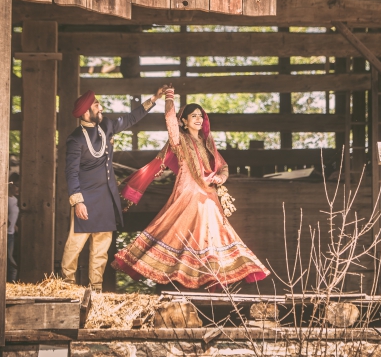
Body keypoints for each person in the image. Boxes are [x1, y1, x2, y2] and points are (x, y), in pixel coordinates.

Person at [112, 87, 269, 289]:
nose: (198, 119)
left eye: (201, 116)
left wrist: (220, 177)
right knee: (178, 238)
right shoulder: (179, 141)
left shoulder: (208, 144)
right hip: (187, 196)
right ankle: (184, 286)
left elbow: (223, 167)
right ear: (184, 121)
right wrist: (169, 98)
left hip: (209, 198)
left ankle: (212, 286)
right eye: (193, 116)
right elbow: (170, 119)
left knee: (214, 240)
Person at [61, 86, 169, 292]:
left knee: (101, 249)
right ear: (86, 112)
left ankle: (96, 290)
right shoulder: (75, 139)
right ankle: (66, 287)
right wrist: (78, 201)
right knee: (75, 246)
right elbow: (71, 172)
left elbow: (129, 119)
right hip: (85, 200)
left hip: (106, 198)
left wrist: (154, 98)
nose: (100, 107)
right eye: (96, 105)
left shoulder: (107, 126)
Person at [7, 174, 20, 282]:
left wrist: (14, 225)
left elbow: (13, 214)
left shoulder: (15, 200)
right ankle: (12, 284)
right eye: (16, 185)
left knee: (9, 259)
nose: (18, 188)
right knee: (12, 264)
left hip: (11, 234)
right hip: (5, 234)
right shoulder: (5, 199)